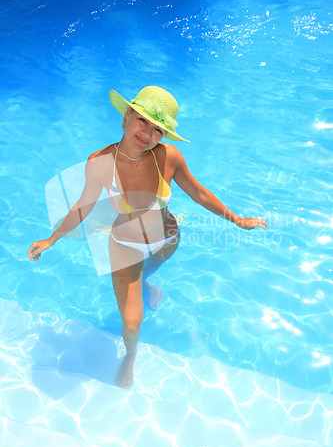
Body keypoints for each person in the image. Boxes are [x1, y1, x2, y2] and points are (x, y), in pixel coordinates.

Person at [28, 86, 268, 390]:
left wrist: (237, 220)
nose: (147, 133)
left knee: (146, 274)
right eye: (142, 121)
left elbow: (198, 192)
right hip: (125, 247)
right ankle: (130, 356)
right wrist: (51, 240)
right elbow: (84, 205)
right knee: (131, 324)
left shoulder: (168, 157)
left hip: (167, 240)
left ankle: (145, 282)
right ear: (126, 116)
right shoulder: (100, 162)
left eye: (158, 129)